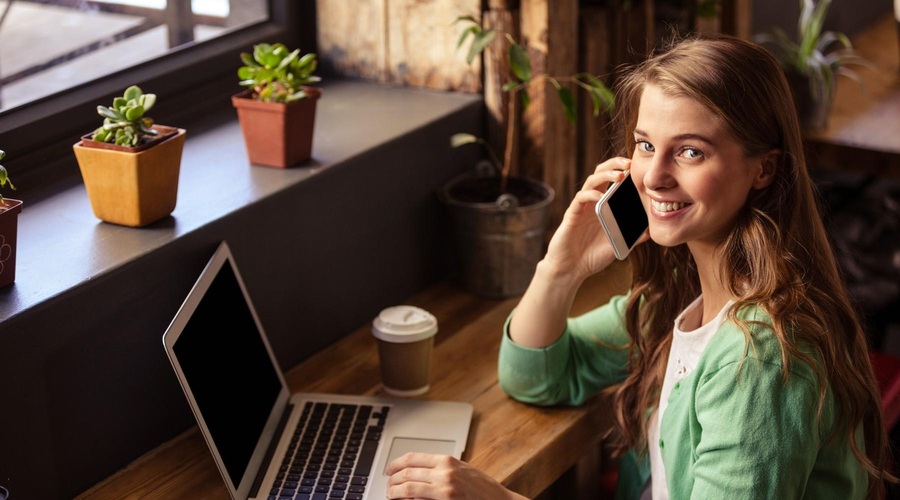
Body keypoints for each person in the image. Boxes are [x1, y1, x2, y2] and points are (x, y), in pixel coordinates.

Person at [384, 33, 895, 499]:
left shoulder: (759, 360)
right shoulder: (684, 300)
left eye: (690, 152)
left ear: (765, 168)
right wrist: (562, 267)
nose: (653, 176)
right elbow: (535, 375)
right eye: (646, 145)